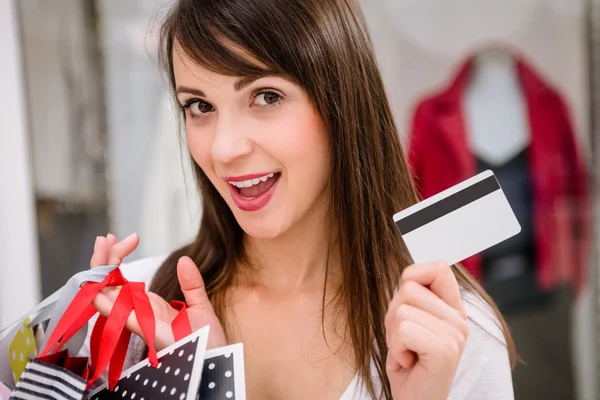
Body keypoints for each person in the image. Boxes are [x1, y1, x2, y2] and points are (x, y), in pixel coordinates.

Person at [85, 0, 516, 398]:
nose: (223, 149)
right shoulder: (141, 312)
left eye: (266, 97)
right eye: (199, 106)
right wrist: (197, 383)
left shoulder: (455, 333)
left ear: (342, 103)